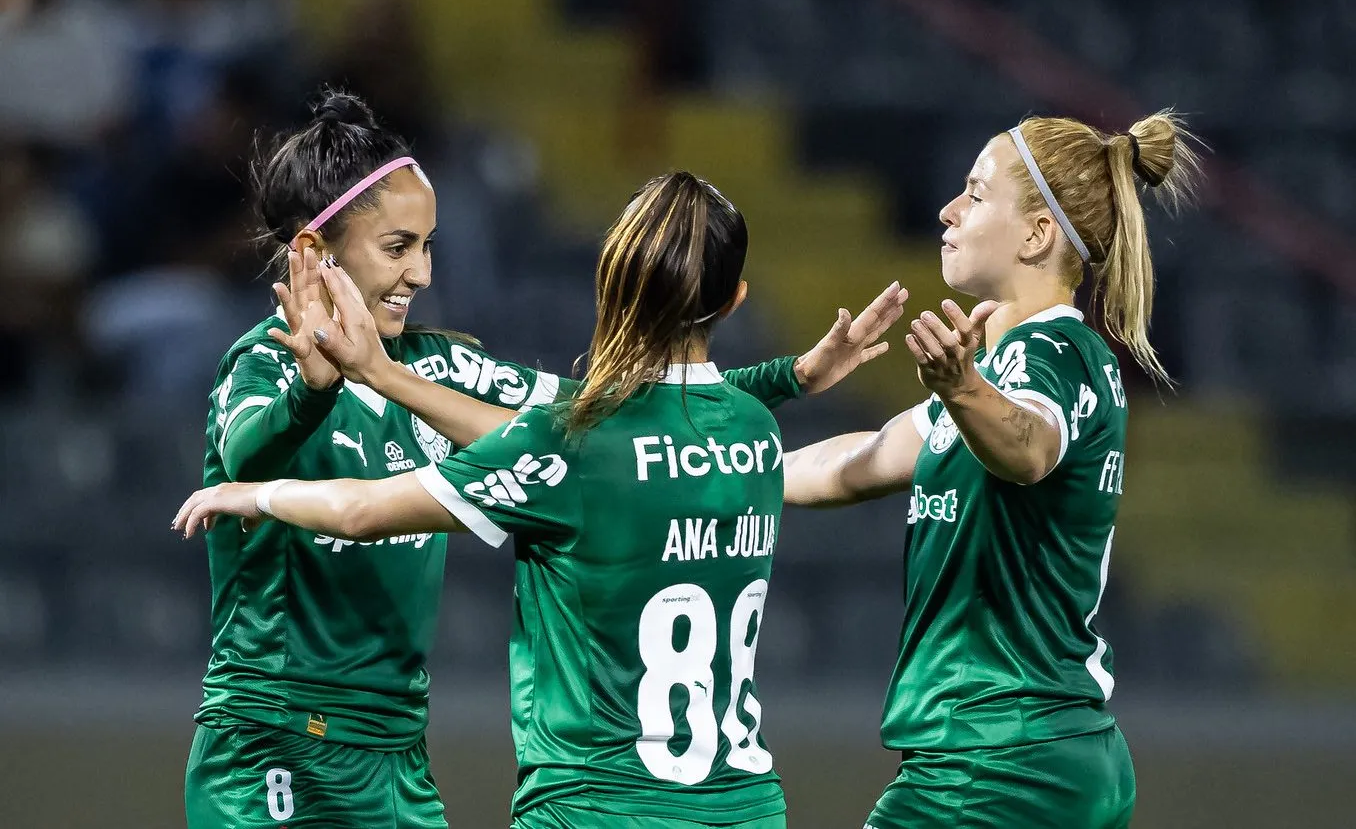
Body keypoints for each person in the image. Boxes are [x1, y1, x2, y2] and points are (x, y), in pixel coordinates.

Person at [185, 85, 905, 829]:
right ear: (313, 248)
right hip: (275, 741)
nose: (423, 273)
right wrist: (312, 390)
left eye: (429, 245)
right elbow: (247, 456)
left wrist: (789, 377)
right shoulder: (261, 368)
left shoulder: (442, 366)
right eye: (398, 247)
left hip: (395, 754)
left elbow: (610, 413)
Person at [782, 112, 1201, 829]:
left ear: (1037, 234)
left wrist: (962, 388)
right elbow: (856, 463)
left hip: (997, 764)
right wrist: (713, 468)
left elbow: (1031, 449)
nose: (948, 210)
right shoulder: (995, 371)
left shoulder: (1058, 353)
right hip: (1033, 759)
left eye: (975, 194)